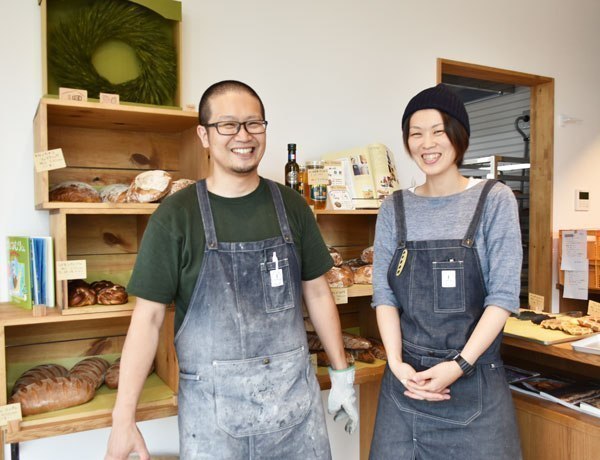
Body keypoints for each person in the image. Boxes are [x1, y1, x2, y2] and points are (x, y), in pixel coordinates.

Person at [105, 80, 358, 460]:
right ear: (204, 136)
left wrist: (341, 375)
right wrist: (123, 418)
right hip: (213, 422)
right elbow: (148, 319)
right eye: (227, 125)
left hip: (294, 414)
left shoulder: (292, 206)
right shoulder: (176, 216)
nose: (243, 135)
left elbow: (318, 292)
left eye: (254, 124)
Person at [369, 84, 523, 459]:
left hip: (474, 384)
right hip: (406, 385)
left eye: (438, 130)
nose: (427, 143)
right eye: (415, 133)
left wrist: (459, 365)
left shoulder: (494, 199)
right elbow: (384, 295)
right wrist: (395, 363)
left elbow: (502, 298)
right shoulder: (395, 207)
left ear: (459, 135)